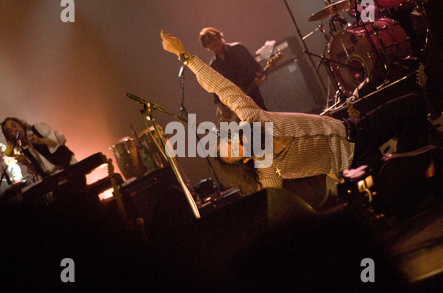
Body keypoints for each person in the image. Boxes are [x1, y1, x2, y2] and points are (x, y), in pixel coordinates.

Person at [161, 30, 435, 207]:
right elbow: (275, 202)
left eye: (229, 138)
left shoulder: (253, 118)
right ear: (245, 159)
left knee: (413, 104)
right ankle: (415, 166)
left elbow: (222, 88)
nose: (235, 140)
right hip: (353, 164)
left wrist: (184, 56)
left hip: (358, 128)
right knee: (390, 197)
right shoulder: (267, 168)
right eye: (233, 149)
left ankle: (416, 157)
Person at [199, 27, 268, 122]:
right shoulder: (213, 65)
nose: (214, 44)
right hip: (237, 107)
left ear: (219, 37)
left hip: (253, 97)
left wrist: (261, 78)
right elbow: (216, 92)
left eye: (214, 40)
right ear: (207, 46)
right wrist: (223, 109)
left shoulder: (238, 48)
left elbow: (256, 67)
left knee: (266, 128)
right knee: (252, 135)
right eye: (209, 43)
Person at [1, 117, 77, 182]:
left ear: (20, 124)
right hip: (54, 179)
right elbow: (38, 171)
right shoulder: (23, 150)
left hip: (69, 168)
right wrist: (26, 163)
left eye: (14, 125)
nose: (14, 130)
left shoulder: (38, 128)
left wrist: (40, 140)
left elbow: (60, 140)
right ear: (10, 136)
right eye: (10, 131)